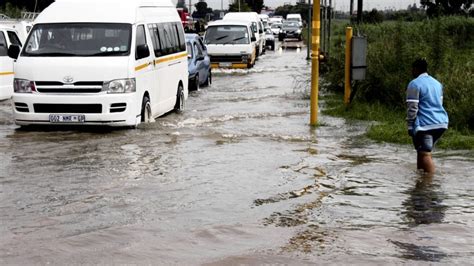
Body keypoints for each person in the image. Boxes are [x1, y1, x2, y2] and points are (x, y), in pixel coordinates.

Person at [406, 58, 449, 173]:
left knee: (425, 153)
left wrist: (410, 125)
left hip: (426, 124)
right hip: (441, 122)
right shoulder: (437, 83)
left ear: (415, 69)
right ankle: (420, 179)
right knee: (421, 151)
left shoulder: (414, 84)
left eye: (412, 69)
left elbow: (412, 106)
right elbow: (439, 103)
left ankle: (429, 184)